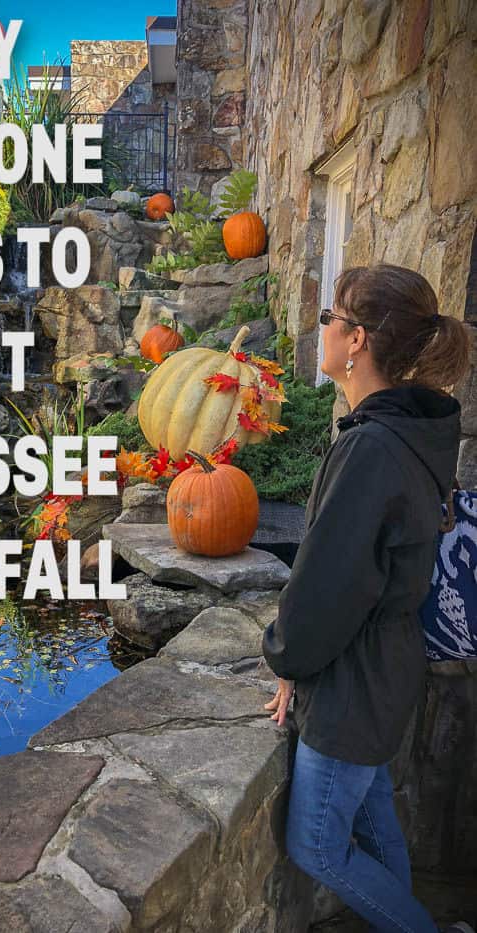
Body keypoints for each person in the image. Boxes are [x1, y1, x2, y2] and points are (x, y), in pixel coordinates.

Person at [261, 264, 473, 933]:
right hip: (387, 670)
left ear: (356, 341)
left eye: (330, 316)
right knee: (377, 819)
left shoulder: (373, 447)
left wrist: (286, 660)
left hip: (356, 685)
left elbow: (328, 585)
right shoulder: (411, 430)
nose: (320, 326)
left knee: (316, 844)